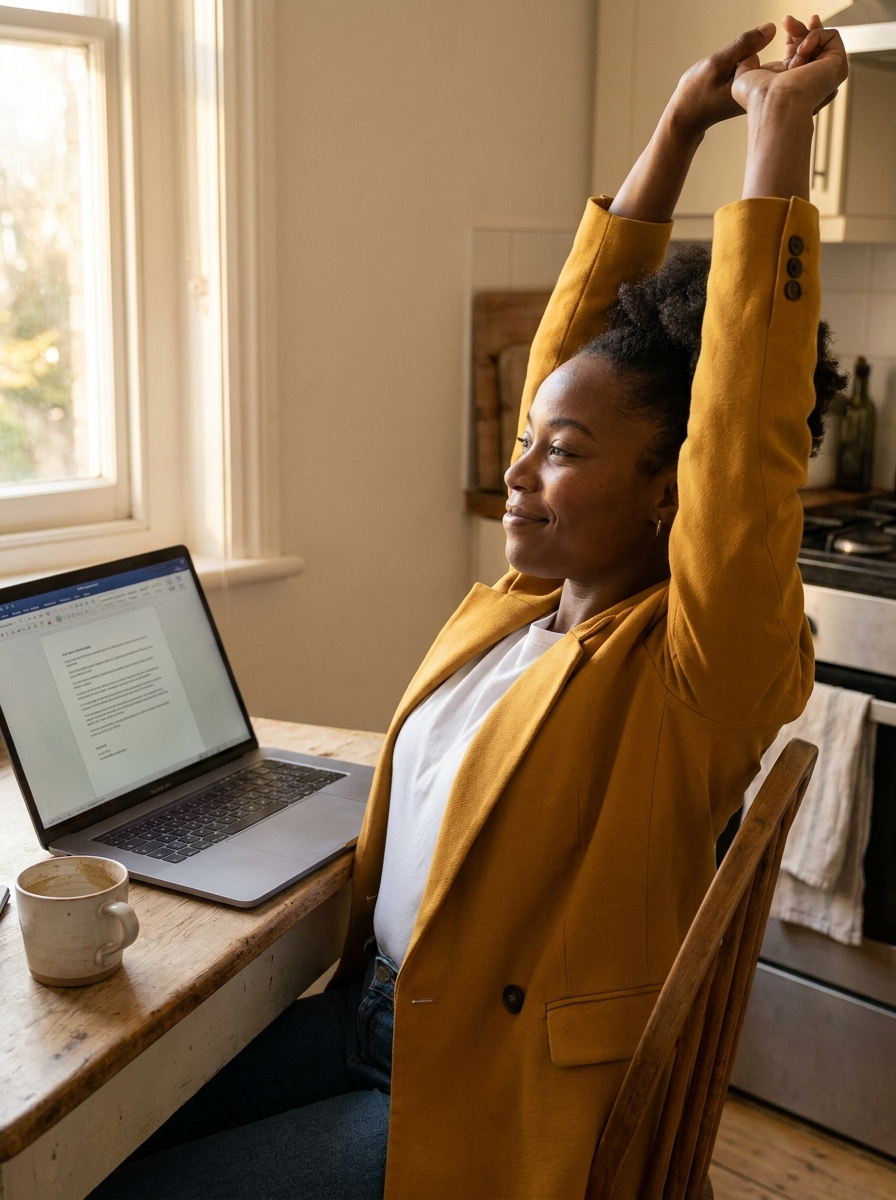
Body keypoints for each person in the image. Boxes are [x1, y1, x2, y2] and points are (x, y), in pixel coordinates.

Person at [92, 15, 849, 1200]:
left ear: (670, 490)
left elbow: (743, 432)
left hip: (496, 1092)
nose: (514, 470)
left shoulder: (692, 666)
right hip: (385, 1022)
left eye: (560, 455)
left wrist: (773, 137)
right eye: (525, 440)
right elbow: (569, 341)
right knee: (84, 1146)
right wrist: (673, 127)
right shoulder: (522, 608)